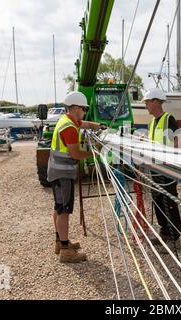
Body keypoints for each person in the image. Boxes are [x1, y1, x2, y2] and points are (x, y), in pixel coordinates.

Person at [47, 91, 102, 263]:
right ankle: (65, 251)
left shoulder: (67, 120)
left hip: (56, 171)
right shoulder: (69, 128)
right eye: (84, 109)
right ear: (76, 108)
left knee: (58, 207)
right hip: (63, 173)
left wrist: (98, 125)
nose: (84, 112)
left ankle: (60, 241)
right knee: (64, 211)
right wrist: (94, 152)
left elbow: (83, 123)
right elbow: (76, 154)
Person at [143, 88, 181, 251]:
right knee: (157, 199)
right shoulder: (152, 122)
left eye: (147, 102)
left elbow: (178, 141)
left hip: (167, 169)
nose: (146, 105)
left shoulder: (169, 119)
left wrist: (174, 162)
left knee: (169, 201)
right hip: (155, 168)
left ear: (155, 102)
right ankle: (165, 233)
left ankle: (175, 239)